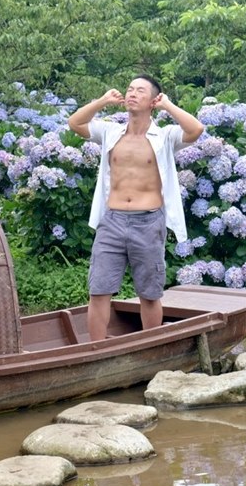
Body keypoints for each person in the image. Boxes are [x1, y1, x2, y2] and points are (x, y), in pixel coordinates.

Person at [68, 75, 205, 341]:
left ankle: (149, 348)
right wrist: (102, 101)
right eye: (130, 89)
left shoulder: (164, 137)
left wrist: (168, 106)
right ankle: (96, 351)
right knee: (98, 290)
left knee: (150, 293)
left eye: (140, 91)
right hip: (112, 221)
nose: (132, 93)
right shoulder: (110, 132)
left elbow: (196, 130)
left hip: (148, 222)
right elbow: (75, 123)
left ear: (153, 100)